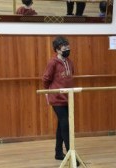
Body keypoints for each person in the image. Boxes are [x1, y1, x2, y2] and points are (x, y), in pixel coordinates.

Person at [42, 36, 79, 166]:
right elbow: (46, 79)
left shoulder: (69, 61)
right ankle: (71, 154)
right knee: (66, 124)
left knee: (61, 126)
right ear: (58, 49)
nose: (67, 50)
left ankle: (58, 152)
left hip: (68, 98)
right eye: (65, 48)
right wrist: (47, 93)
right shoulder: (52, 62)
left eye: (68, 47)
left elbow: (70, 76)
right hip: (57, 98)